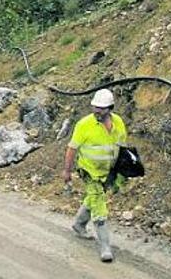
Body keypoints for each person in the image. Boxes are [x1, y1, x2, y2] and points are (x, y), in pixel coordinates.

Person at [62, 88, 128, 262]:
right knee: (99, 206)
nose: (97, 111)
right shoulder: (84, 124)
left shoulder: (119, 123)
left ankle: (79, 224)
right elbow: (71, 149)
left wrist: (122, 172)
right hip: (89, 171)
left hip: (107, 172)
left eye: (101, 108)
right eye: (95, 107)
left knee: (94, 198)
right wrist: (67, 171)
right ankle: (105, 247)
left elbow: (121, 147)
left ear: (110, 108)